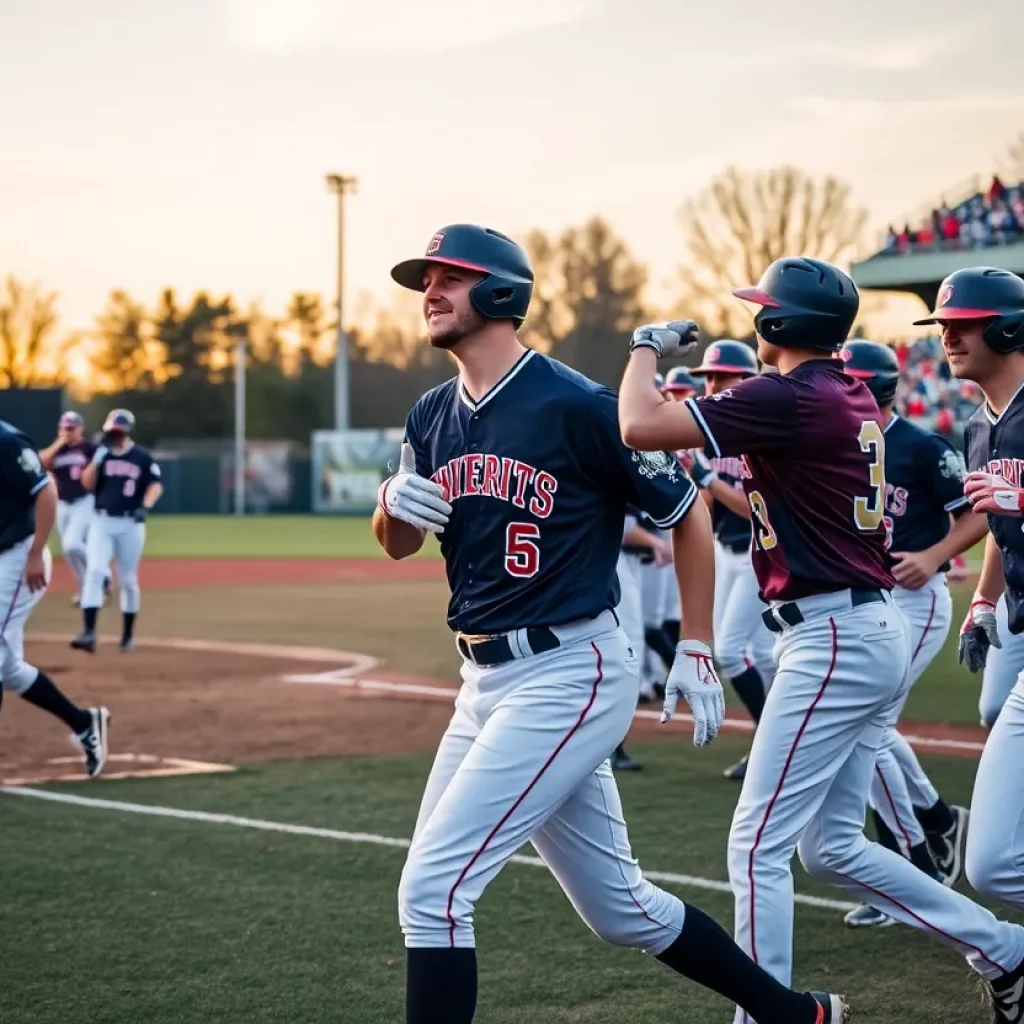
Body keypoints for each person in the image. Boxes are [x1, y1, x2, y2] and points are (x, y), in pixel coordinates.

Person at [376, 224, 848, 1024]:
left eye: (448, 278)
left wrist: (696, 643)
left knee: (433, 891)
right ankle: (797, 1016)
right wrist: (388, 507)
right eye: (426, 279)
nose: (430, 292)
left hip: (568, 671)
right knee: (620, 909)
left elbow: (685, 511)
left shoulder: (574, 404)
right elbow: (398, 544)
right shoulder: (429, 415)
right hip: (483, 680)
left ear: (500, 294)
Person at [617, 256, 1024, 1024]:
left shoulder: (793, 394)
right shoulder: (842, 390)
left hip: (834, 631)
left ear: (780, 323)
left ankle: (767, 1016)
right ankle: (1004, 947)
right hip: (857, 626)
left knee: (755, 845)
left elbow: (638, 422)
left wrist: (645, 346)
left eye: (763, 309)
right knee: (828, 847)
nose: (754, 319)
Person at [835, 339, 983, 927]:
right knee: (866, 728)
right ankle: (936, 823)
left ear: (870, 391)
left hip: (916, 600)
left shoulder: (920, 445)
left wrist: (935, 556)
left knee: (865, 728)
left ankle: (913, 862)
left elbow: (975, 512)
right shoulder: (835, 445)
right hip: (866, 601)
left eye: (845, 386)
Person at [929, 270, 1024, 947]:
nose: (947, 334)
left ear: (1009, 327)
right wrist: (983, 600)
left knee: (992, 861)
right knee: (990, 863)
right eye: (944, 323)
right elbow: (999, 523)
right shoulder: (976, 427)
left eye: (963, 322)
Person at [678, 340, 774, 782]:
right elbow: (708, 504)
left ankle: (768, 743)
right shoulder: (711, 432)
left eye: (722, 376)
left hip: (760, 552)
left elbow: (750, 508)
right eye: (709, 377)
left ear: (747, 380)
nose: (712, 384)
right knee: (765, 657)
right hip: (725, 550)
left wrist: (707, 478)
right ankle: (781, 740)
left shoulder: (758, 430)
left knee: (733, 651)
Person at [0, 419, 110, 778]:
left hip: (17, 558)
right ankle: (83, 723)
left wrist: (33, 555)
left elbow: (46, 491)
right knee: (8, 668)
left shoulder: (8, 440)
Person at [71, 409, 163, 654]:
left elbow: (155, 485)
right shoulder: (101, 456)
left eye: (119, 432)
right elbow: (86, 483)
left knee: (129, 580)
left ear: (127, 431)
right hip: (101, 521)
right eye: (112, 431)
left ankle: (127, 635)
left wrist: (146, 505)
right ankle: (88, 633)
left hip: (130, 524)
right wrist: (98, 458)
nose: (115, 436)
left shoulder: (141, 456)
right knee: (94, 572)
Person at [38, 411, 111, 606]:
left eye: (72, 428)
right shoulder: (57, 450)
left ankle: (101, 572)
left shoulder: (89, 448)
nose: (69, 432)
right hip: (62, 503)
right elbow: (39, 464)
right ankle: (86, 588)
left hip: (84, 501)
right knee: (68, 550)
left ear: (80, 429)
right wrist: (59, 443)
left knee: (72, 544)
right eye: (65, 428)